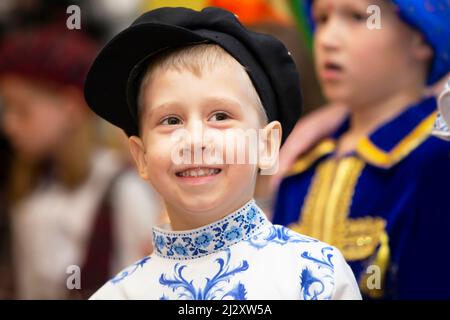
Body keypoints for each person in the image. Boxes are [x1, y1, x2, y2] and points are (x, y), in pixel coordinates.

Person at [84, 7, 361, 300]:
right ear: (141, 156)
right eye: (171, 121)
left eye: (219, 116)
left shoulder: (316, 275)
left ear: (266, 146)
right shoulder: (119, 295)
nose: (194, 140)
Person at [273, 0, 450, 299]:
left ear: (421, 37)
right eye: (322, 19)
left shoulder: (436, 160)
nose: (327, 39)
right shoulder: (299, 168)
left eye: (357, 17)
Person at [0, 25, 163, 299]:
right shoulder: (30, 185)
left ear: (70, 106)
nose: (8, 125)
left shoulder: (121, 189)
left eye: (21, 109)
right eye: (6, 109)